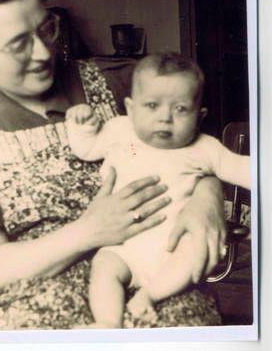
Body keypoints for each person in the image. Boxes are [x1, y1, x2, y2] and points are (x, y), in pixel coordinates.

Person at [0, 0, 226, 329]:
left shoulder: (112, 81)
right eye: (19, 44)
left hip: (149, 270)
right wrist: (88, 232)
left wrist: (208, 198)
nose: (43, 53)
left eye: (47, 29)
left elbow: (185, 144)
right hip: (36, 299)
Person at [66, 53, 251, 328]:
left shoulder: (205, 147)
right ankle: (107, 322)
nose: (165, 118)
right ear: (130, 109)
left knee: (195, 251)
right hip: (123, 246)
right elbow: (87, 149)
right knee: (104, 266)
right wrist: (80, 126)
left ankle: (148, 296)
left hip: (173, 247)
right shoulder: (118, 131)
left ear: (200, 116)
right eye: (152, 105)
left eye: (180, 109)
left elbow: (246, 170)